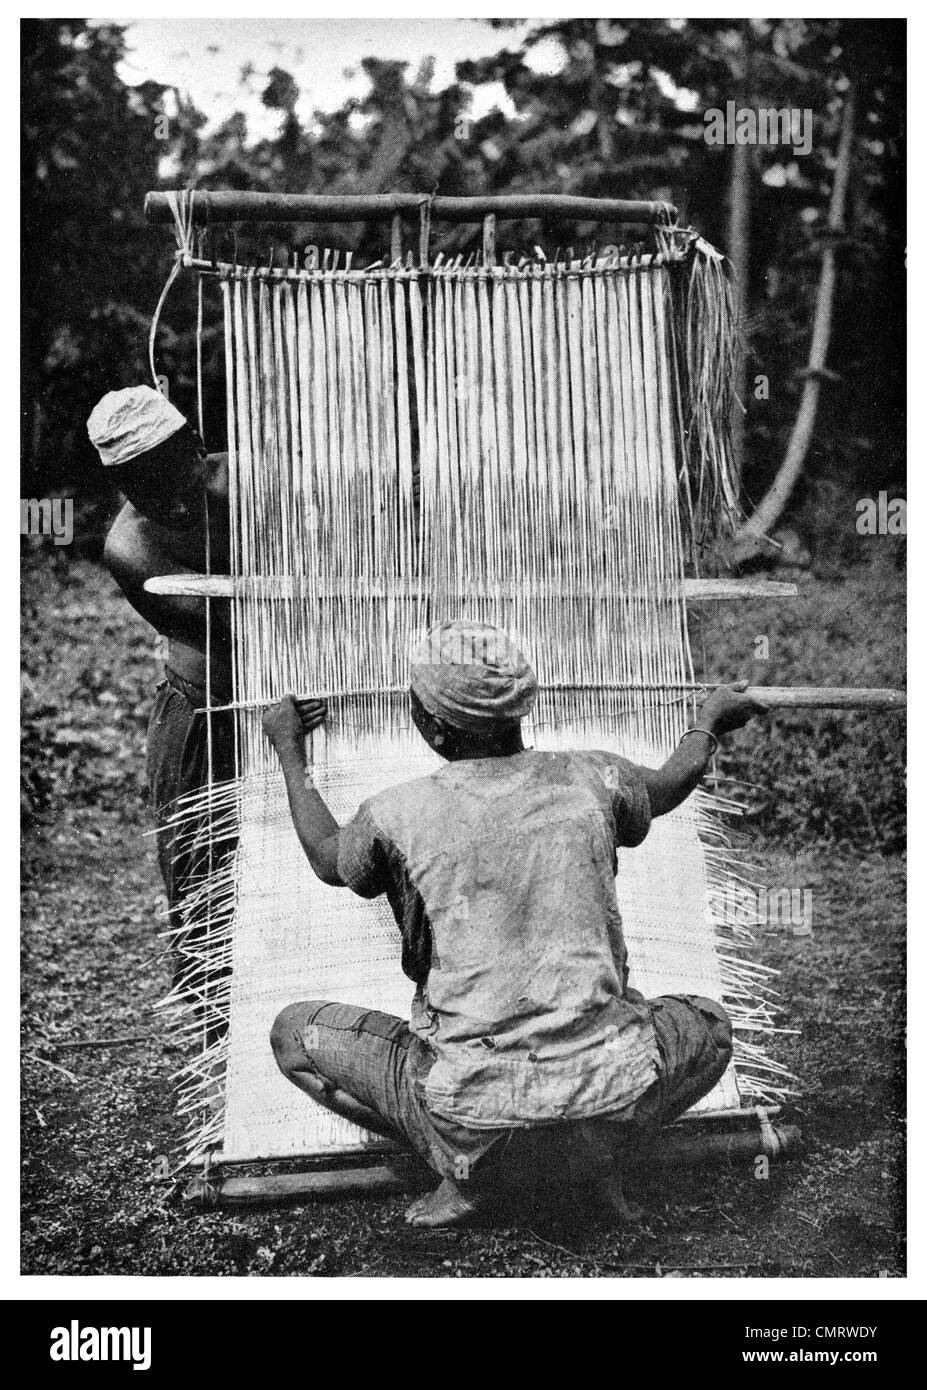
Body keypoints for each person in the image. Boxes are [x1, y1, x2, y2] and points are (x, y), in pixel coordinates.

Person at [263, 619, 765, 1228]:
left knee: (294, 1037)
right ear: (521, 709)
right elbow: (668, 783)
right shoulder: (594, 778)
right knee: (709, 1026)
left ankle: (465, 1172)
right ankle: (593, 1162)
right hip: (611, 1097)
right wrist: (707, 723)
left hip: (474, 1111)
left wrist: (289, 749)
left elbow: (325, 856)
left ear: (433, 726)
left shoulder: (393, 815)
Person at [89, 385, 327, 1014]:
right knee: (202, 870)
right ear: (121, 484)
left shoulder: (258, 484)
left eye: (171, 476)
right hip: (210, 703)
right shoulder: (131, 548)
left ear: (197, 449)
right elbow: (234, 633)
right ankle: (217, 1025)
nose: (164, 499)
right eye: (141, 486)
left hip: (301, 687)